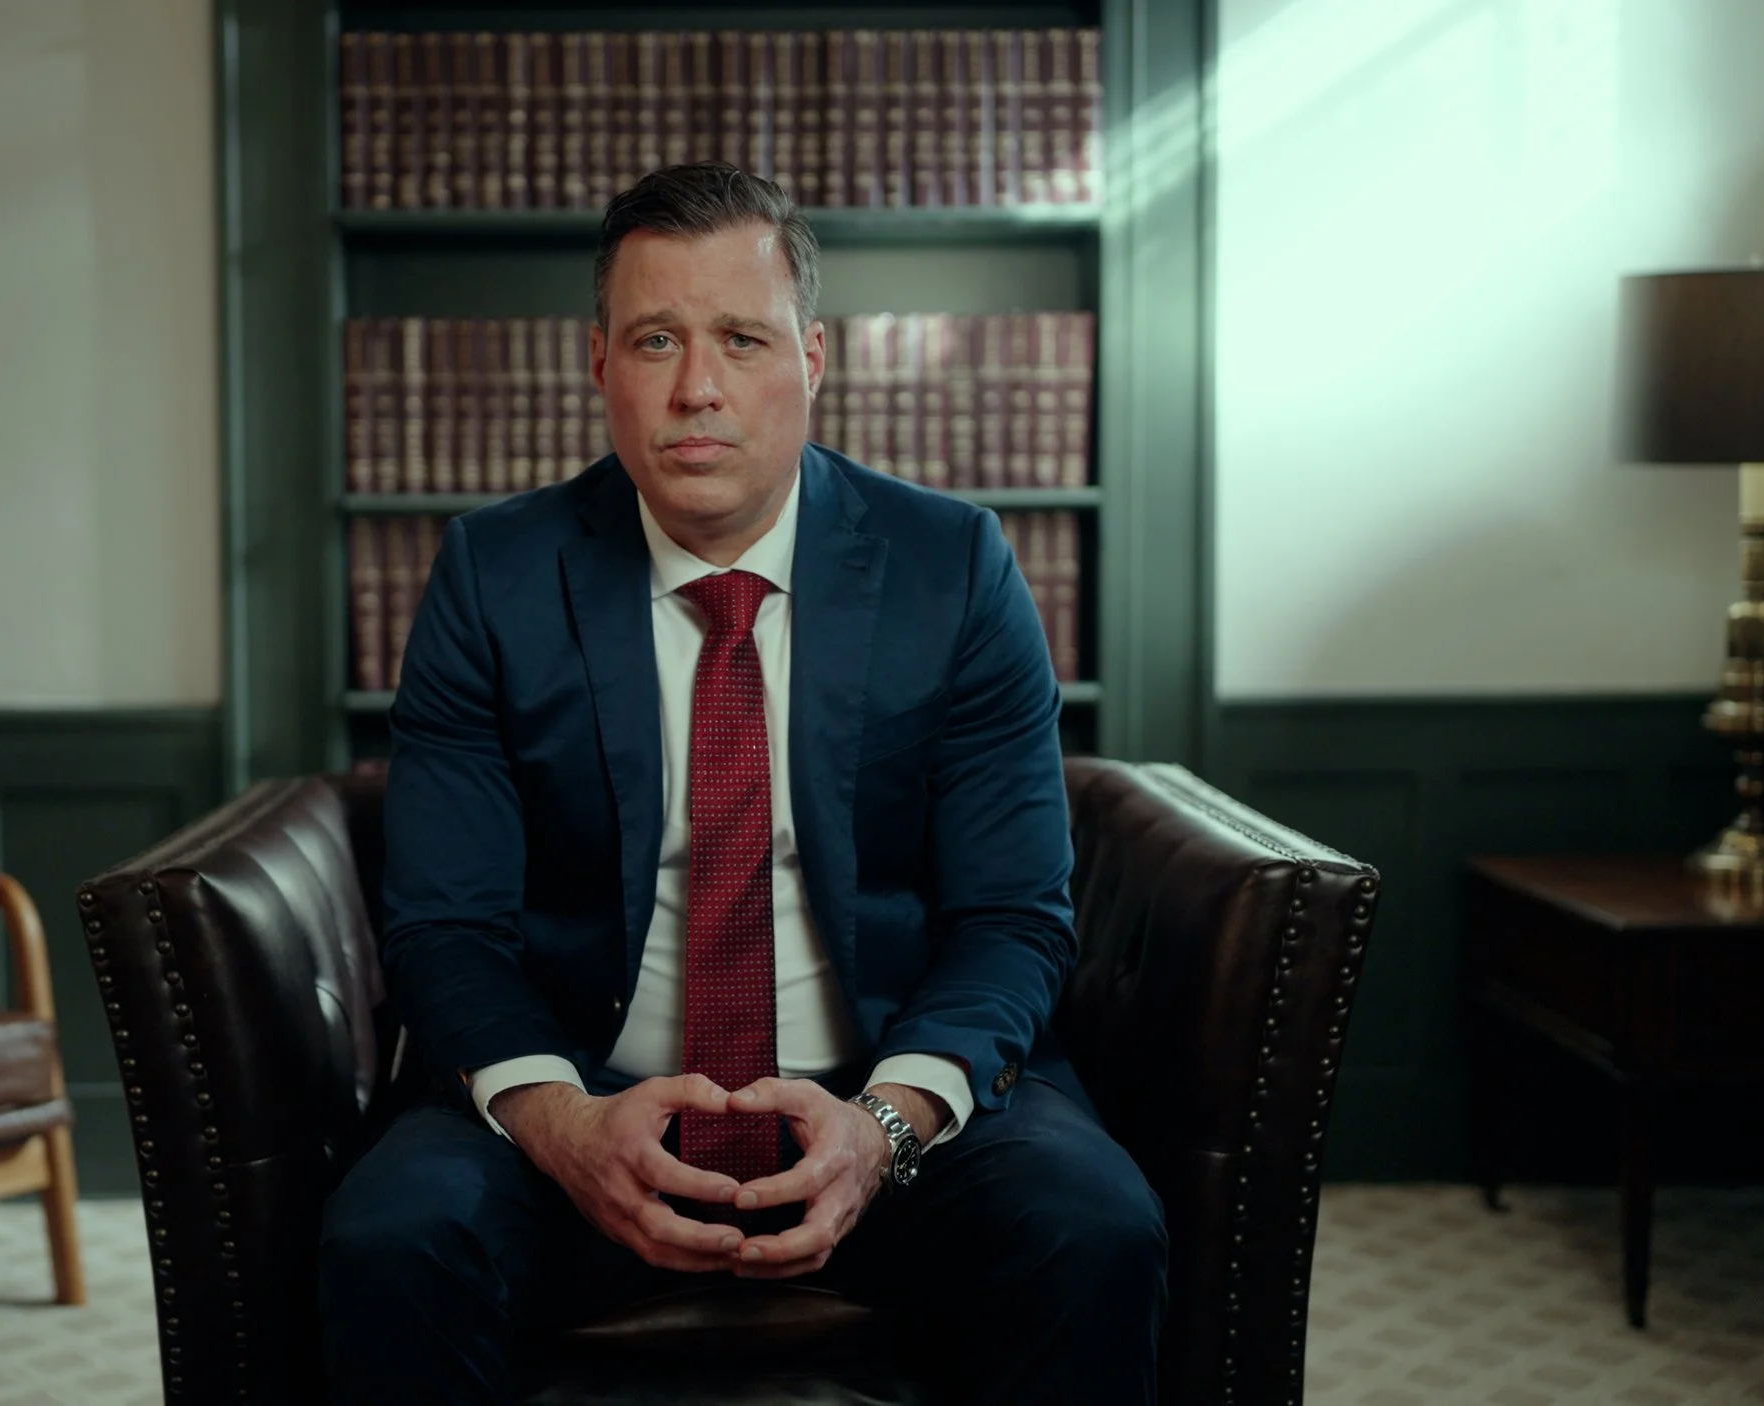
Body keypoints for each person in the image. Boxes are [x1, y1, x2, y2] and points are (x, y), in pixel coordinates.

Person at [318, 162, 1167, 1404]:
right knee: (388, 1239)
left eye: (741, 338)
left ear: (812, 357)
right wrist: (563, 1123)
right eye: (655, 339)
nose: (696, 388)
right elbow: (446, 926)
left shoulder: (952, 566)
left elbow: (1011, 916)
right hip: (586, 1086)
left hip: (882, 1086)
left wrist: (882, 1126)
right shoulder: (494, 576)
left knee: (1096, 1225)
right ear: (598, 362)